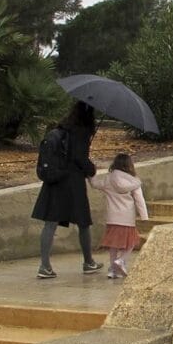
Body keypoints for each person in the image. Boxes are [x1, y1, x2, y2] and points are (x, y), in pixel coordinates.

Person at [31, 101, 102, 278]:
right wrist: (91, 168)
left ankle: (45, 266)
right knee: (83, 222)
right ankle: (88, 262)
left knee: (50, 223)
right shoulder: (82, 131)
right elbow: (80, 158)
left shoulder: (63, 128)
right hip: (73, 183)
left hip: (55, 181)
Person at [89, 152, 148, 279]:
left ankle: (112, 270)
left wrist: (91, 172)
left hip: (112, 217)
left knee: (113, 245)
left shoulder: (108, 179)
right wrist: (144, 216)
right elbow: (139, 199)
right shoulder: (134, 182)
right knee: (132, 242)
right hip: (127, 217)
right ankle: (121, 261)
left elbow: (94, 184)